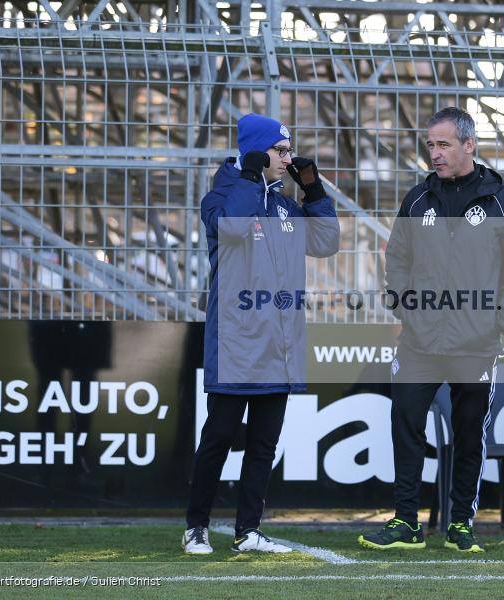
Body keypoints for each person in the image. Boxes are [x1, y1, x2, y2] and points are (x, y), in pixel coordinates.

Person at [358, 107, 504, 553]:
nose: (434, 154)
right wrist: (405, 307)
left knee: (468, 432)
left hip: (476, 345)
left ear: (468, 145)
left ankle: (461, 523)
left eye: (443, 145)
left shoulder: (501, 201)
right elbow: (396, 257)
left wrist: (498, 320)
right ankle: (406, 522)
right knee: (406, 424)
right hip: (419, 340)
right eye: (430, 146)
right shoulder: (419, 200)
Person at [182, 113, 340, 554]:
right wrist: (249, 176)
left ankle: (247, 531)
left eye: (290, 151)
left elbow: (326, 242)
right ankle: (196, 526)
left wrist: (312, 189)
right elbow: (231, 226)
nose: (288, 159)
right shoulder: (221, 196)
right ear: (256, 152)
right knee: (218, 437)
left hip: (279, 345)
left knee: (264, 444)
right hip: (235, 344)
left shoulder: (287, 205)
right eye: (281, 151)